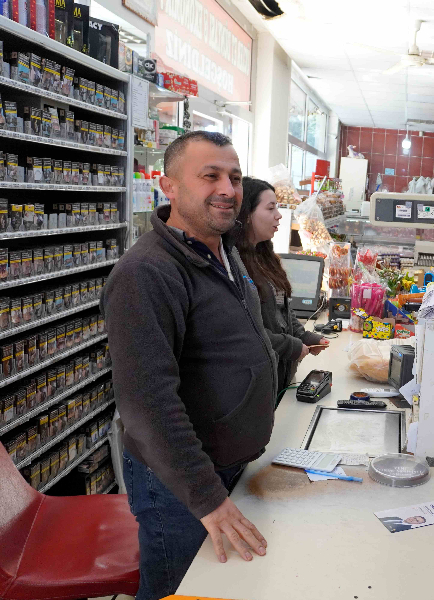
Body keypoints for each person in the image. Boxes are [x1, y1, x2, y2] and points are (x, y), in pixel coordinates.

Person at [101, 131, 276, 600]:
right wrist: (208, 500)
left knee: (220, 590)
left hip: (227, 466)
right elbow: (146, 405)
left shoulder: (224, 252)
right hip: (180, 486)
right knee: (177, 590)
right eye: (210, 176)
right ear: (170, 186)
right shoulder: (146, 273)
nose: (228, 188)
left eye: (235, 177)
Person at [233, 177, 329, 405]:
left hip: (279, 376)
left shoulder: (264, 255)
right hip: (255, 387)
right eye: (270, 208)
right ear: (247, 214)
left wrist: (304, 336)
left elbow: (283, 311)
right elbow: (249, 333)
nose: (279, 215)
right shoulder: (234, 263)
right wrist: (292, 345)